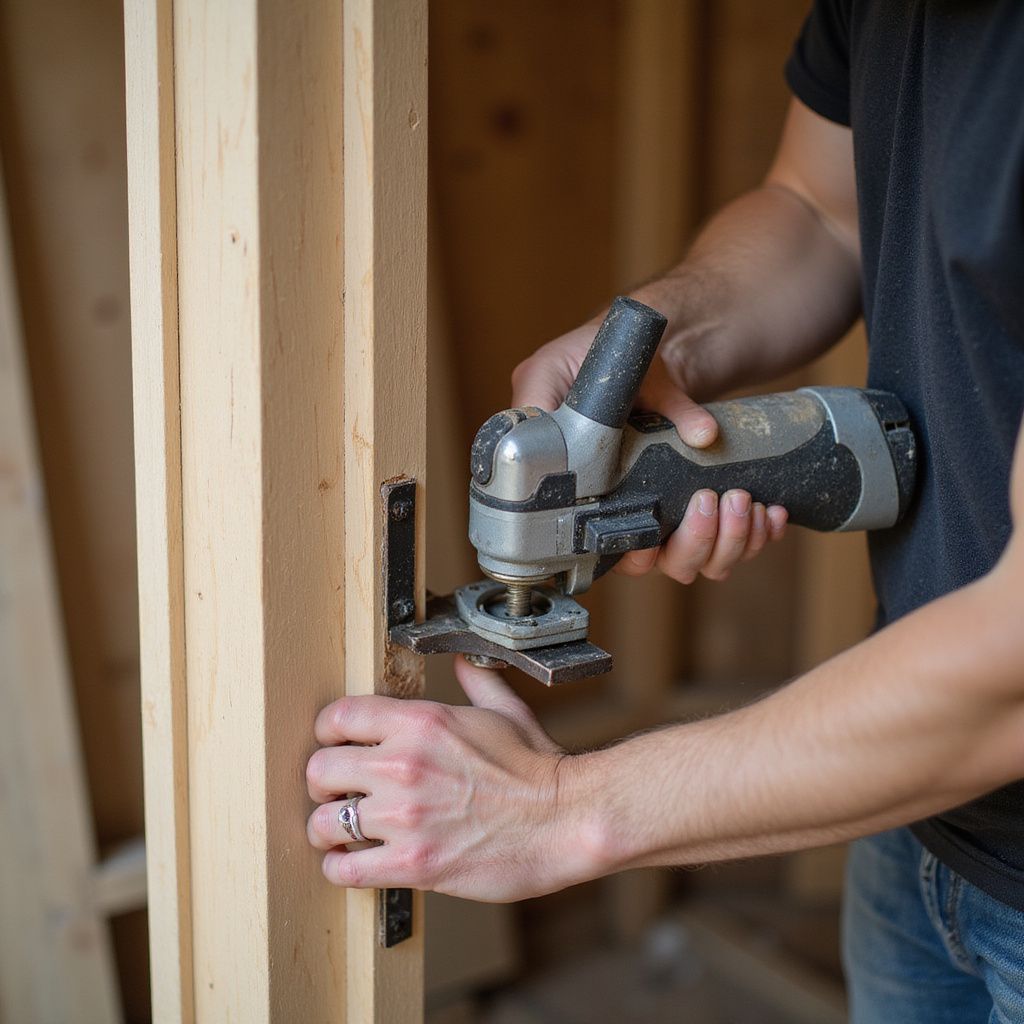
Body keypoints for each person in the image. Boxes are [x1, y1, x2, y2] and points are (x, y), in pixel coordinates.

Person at [306, 4, 1024, 1020]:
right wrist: (662, 337)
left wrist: (559, 814)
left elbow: (1015, 670)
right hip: (906, 798)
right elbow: (821, 207)